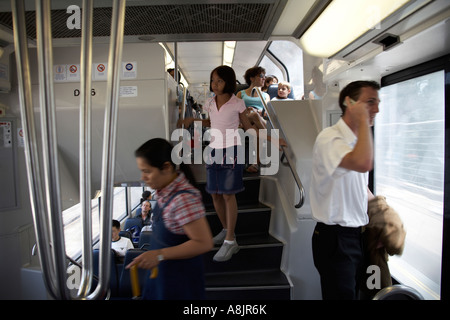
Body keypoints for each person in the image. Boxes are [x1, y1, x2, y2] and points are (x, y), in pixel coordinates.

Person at [181, 65, 286, 262]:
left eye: (219, 81)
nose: (215, 84)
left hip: (232, 151)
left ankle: (231, 241)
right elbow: (211, 122)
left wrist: (273, 139)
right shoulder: (210, 102)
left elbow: (250, 128)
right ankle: (226, 229)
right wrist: (192, 120)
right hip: (213, 150)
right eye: (213, 80)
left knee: (228, 195)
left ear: (228, 82)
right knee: (214, 194)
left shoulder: (238, 103)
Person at [309, 80, 380, 300]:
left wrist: (378, 216)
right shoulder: (330, 138)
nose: (376, 109)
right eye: (370, 102)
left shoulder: (356, 141)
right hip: (336, 240)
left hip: (356, 235)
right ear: (349, 103)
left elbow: (359, 185)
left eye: (377, 103)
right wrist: (362, 119)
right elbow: (363, 163)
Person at [126, 138, 213, 300]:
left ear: (166, 167)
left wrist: (159, 254)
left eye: (147, 171)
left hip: (180, 285)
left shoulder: (183, 200)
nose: (143, 177)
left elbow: (204, 242)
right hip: (163, 279)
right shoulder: (164, 192)